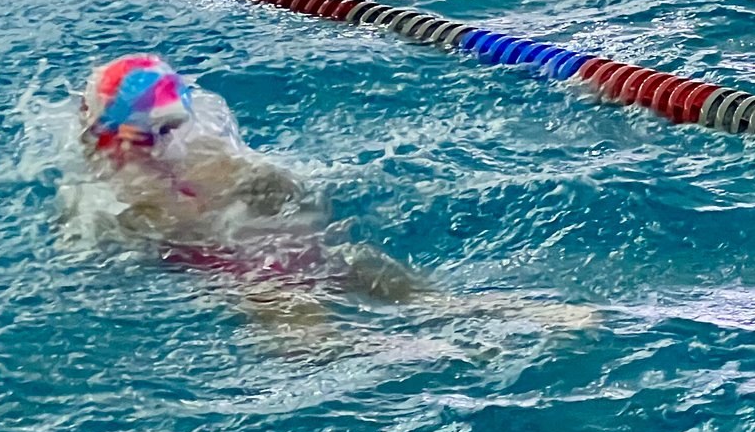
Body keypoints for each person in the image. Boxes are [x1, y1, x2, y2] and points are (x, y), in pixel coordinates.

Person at [70, 54, 593, 336]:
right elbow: (290, 191)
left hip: (254, 280)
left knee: (321, 347)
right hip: (318, 249)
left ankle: (439, 353)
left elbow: (116, 247)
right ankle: (524, 319)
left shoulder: (105, 189)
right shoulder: (211, 152)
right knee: (430, 300)